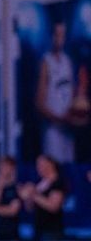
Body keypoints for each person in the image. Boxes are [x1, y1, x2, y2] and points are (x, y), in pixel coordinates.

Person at [36, 21, 75, 164]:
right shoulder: (46, 62)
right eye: (57, 35)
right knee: (54, 166)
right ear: (51, 36)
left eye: (62, 35)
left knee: (69, 166)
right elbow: (39, 103)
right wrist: (58, 119)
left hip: (68, 128)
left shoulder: (67, 61)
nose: (59, 39)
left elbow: (73, 94)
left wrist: (72, 116)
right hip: (52, 129)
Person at [20, 153, 66, 241]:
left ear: (51, 164)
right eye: (37, 165)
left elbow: (53, 206)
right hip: (38, 230)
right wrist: (27, 197)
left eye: (41, 164)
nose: (39, 167)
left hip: (52, 231)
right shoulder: (39, 183)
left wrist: (33, 195)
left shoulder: (58, 183)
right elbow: (30, 208)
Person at [0, 156, 22, 241]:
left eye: (5, 166)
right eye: (1, 166)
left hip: (12, 234)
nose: (2, 169)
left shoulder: (17, 188)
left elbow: (12, 211)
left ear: (12, 168)